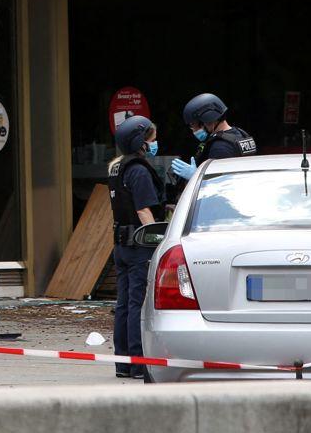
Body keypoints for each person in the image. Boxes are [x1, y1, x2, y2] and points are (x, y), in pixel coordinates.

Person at [108, 114, 166, 380]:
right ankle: (137, 362)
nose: (154, 144)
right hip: (138, 245)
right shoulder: (139, 171)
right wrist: (158, 241)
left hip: (121, 244)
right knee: (137, 304)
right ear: (140, 142)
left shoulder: (117, 168)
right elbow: (143, 210)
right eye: (151, 139)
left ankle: (122, 362)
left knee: (123, 304)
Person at [170, 92, 257, 182]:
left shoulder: (220, 148)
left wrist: (196, 177)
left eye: (193, 124)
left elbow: (218, 185)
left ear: (206, 120)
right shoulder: (241, 134)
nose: (193, 130)